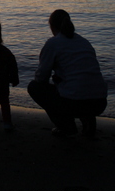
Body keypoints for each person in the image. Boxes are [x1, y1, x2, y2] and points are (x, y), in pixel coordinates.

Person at [28, 9, 107, 138]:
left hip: (76, 102)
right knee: (82, 85)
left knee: (34, 87)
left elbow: (41, 77)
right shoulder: (84, 41)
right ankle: (89, 123)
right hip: (100, 101)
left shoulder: (53, 43)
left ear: (51, 26)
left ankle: (66, 127)